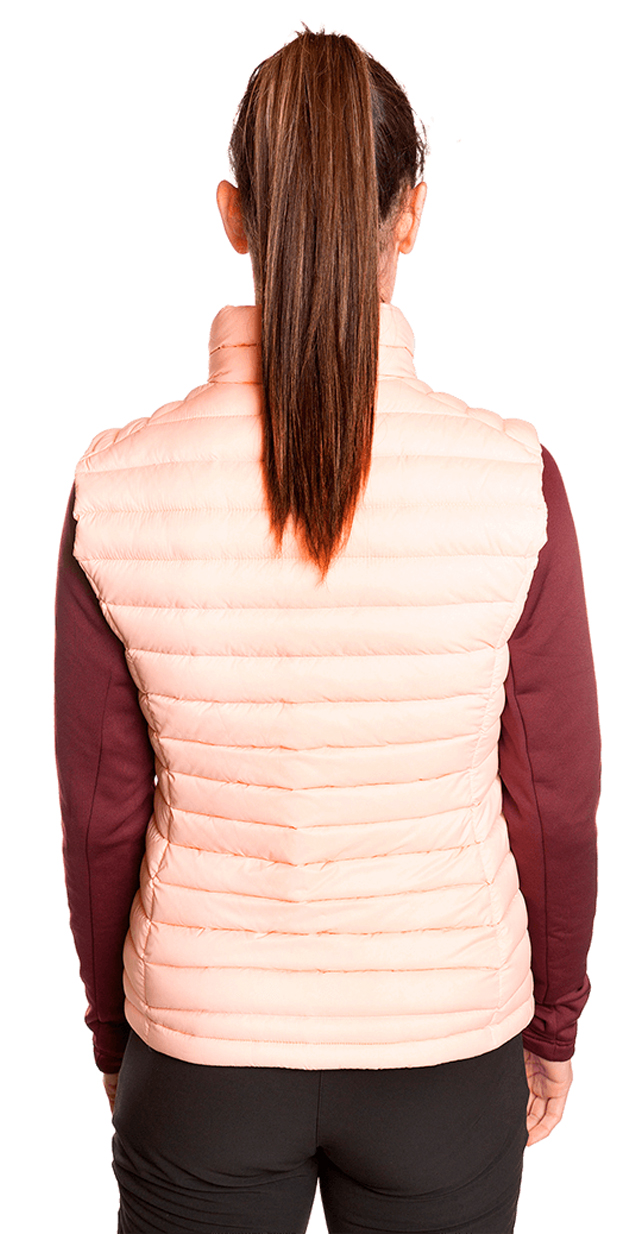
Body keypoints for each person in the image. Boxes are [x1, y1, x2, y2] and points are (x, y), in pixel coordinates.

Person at [55, 27, 600, 1234]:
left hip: (201, 1053)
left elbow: (101, 810)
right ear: (410, 217)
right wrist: (553, 1022)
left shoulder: (116, 486)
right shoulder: (512, 481)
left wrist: (116, 1035)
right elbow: (554, 801)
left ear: (235, 216)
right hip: (442, 1045)